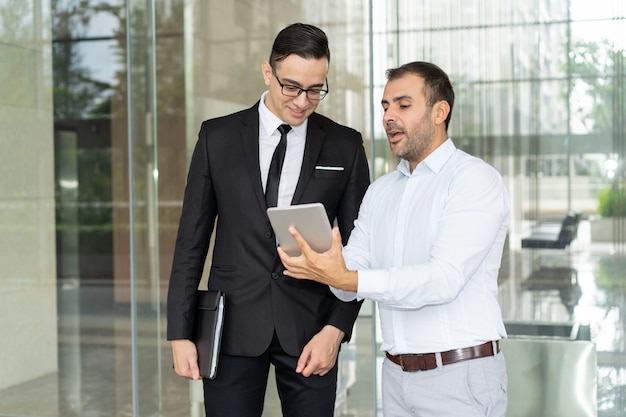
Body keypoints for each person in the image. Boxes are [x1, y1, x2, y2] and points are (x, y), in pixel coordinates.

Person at [278, 61, 509, 417]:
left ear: (439, 112)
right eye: (385, 106)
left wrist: (347, 277)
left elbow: (443, 280)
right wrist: (324, 263)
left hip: (459, 377)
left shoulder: (474, 180)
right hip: (395, 377)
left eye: (403, 105)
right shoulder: (380, 191)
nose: (388, 116)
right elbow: (348, 282)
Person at [166, 23, 370, 417]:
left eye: (315, 89)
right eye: (291, 87)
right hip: (231, 327)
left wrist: (336, 330)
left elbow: (360, 248)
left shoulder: (345, 145)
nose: (302, 101)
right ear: (267, 72)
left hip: (312, 331)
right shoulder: (216, 137)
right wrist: (180, 332)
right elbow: (191, 241)